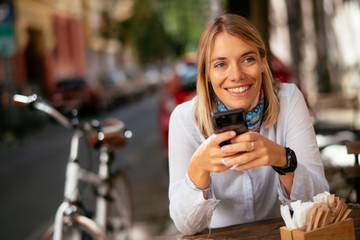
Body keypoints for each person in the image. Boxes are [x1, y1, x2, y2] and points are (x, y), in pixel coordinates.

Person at [168, 13, 329, 235]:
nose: (236, 75)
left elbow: (320, 201)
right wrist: (199, 167)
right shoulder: (185, 119)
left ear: (263, 62)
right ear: (206, 73)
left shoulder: (289, 99)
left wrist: (283, 159)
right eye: (221, 64)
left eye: (248, 59)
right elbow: (186, 226)